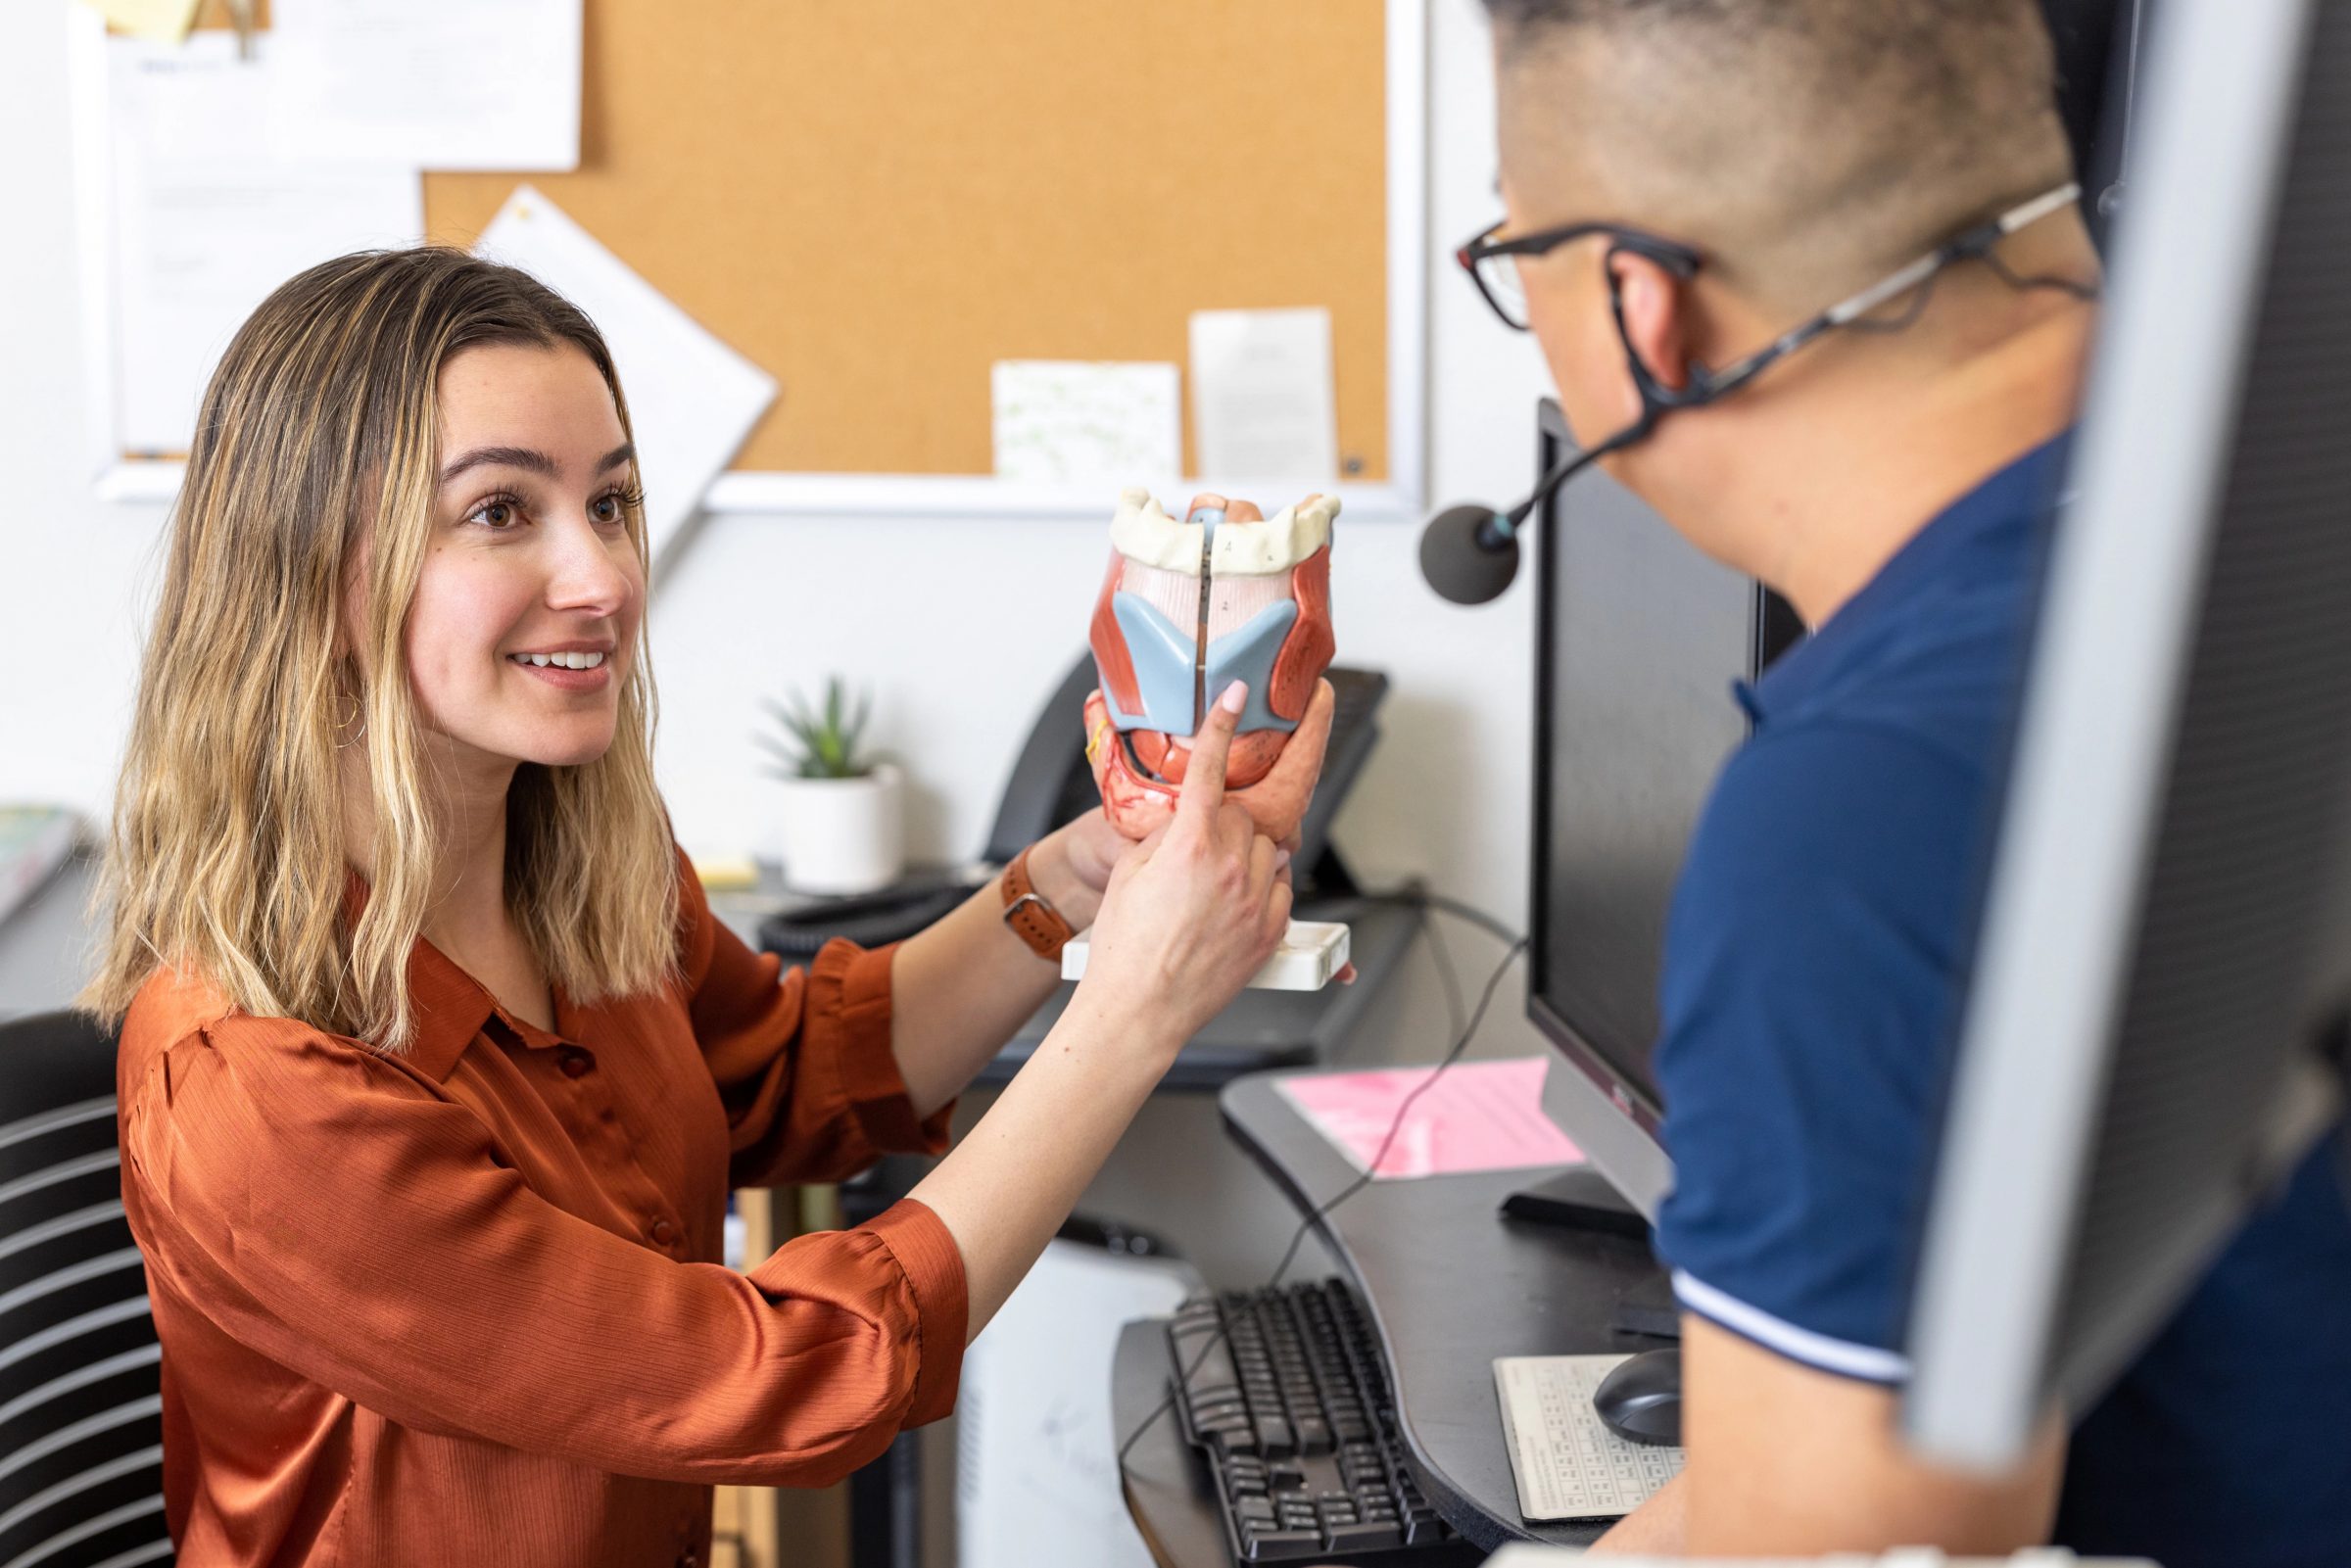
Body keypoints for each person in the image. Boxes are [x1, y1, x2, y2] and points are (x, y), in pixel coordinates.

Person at [82, 246, 1335, 1567]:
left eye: (611, 501)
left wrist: (1074, 883)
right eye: (504, 511)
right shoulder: (252, 1080)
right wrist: (1133, 1010)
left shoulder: (572, 865)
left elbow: (790, 1068)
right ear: (313, 565)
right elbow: (779, 1378)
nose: (606, 577)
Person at [1469, 2, 2351, 1563]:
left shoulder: (1866, 809)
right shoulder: (2273, 522)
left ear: (1636, 309)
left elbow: (1854, 1546)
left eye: (1510, 260)